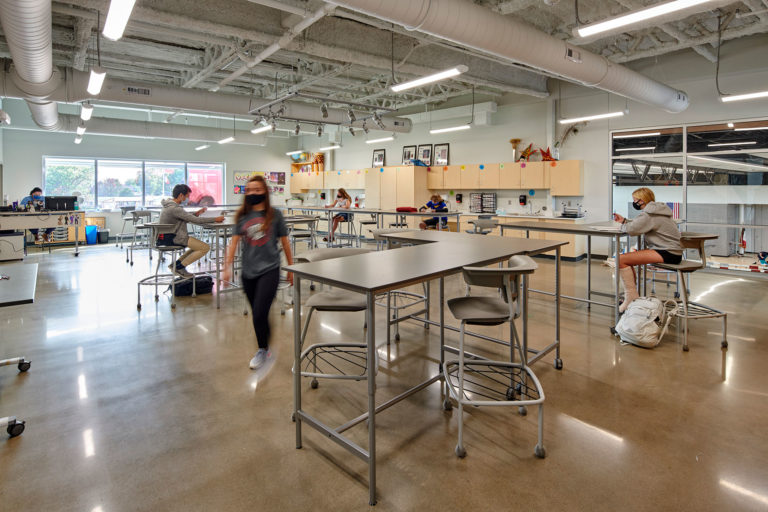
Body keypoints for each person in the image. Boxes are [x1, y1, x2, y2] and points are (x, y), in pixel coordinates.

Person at [223, 176, 293, 370]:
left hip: (269, 269)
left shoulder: (275, 215)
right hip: (248, 271)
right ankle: (266, 345)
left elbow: (285, 243)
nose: (253, 193)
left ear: (265, 192)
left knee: (259, 313)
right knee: (257, 314)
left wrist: (291, 268)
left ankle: (262, 349)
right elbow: (234, 243)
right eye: (249, 190)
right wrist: (226, 267)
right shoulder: (242, 216)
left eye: (257, 190)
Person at [613, 187, 682, 312]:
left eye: (635, 200)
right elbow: (639, 223)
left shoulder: (650, 214)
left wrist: (622, 225)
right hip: (672, 251)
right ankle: (632, 297)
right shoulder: (658, 211)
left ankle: (631, 297)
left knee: (621, 259)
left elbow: (631, 229)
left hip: (667, 252)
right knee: (627, 259)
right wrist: (624, 221)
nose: (634, 203)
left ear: (641, 200)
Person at [159, 184, 224, 278]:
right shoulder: (175, 208)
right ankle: (179, 267)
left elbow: (185, 217)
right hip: (173, 238)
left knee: (197, 246)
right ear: (181, 195)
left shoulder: (169, 205)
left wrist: (196, 213)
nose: (188, 199)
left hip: (166, 236)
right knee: (204, 247)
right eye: (187, 196)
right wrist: (215, 219)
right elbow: (196, 220)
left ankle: (176, 265)